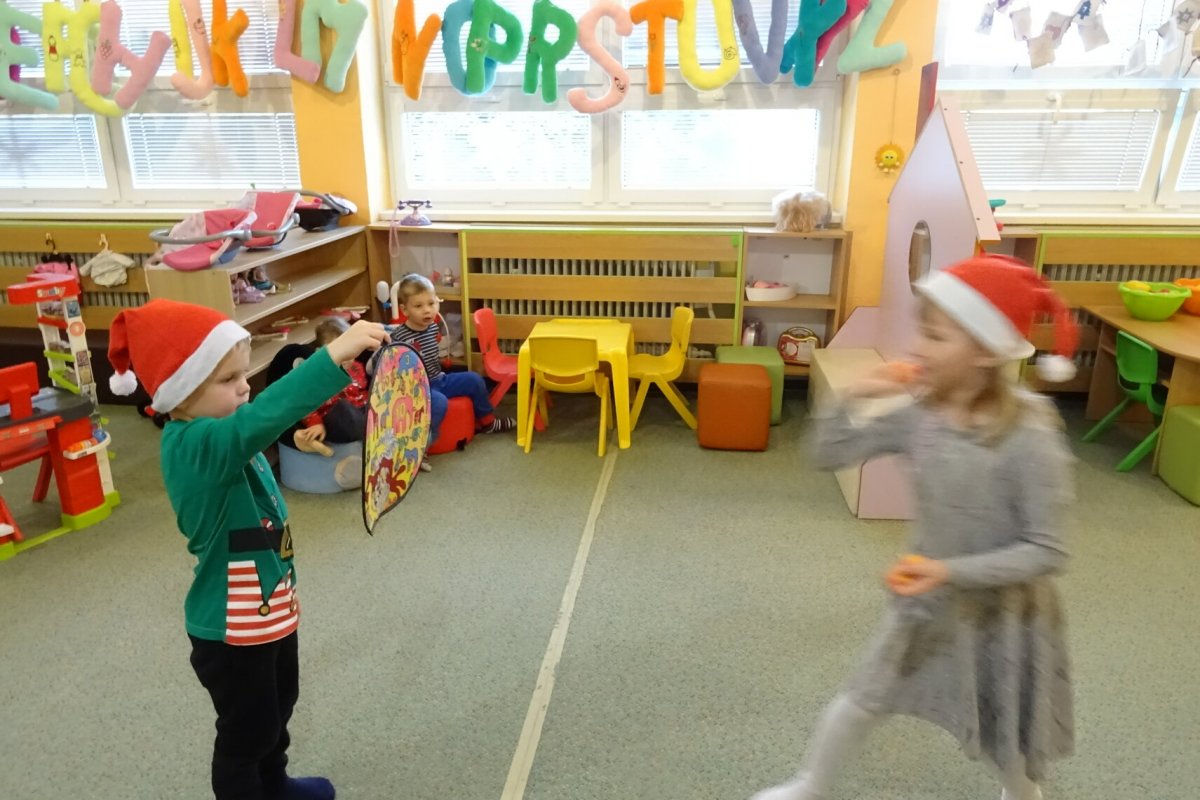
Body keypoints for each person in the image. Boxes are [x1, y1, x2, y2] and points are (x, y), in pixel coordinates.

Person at [752, 255, 1078, 800]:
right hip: (927, 601)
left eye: (936, 335)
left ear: (986, 351)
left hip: (1002, 615)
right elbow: (826, 454)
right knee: (865, 697)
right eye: (921, 330)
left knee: (1000, 727)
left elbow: (1047, 550)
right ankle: (812, 786)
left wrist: (947, 570)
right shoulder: (922, 415)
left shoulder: (1029, 436)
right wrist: (854, 395)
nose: (917, 346)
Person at [107, 299, 388, 800]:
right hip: (231, 630)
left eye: (243, 375)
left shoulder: (219, 433)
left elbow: (260, 442)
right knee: (246, 733)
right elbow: (260, 418)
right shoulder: (193, 445)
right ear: (181, 391)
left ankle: (274, 782)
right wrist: (332, 356)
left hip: (269, 609)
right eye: (228, 379)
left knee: (279, 708)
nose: (244, 387)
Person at [375, 274, 514, 468]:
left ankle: (487, 422)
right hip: (416, 388)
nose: (427, 310)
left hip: (438, 379)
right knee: (439, 402)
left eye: (431, 303)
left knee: (474, 380)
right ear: (405, 310)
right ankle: (421, 446)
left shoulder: (432, 328)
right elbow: (384, 361)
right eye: (418, 306)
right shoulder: (399, 336)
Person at [292, 317, 370, 456]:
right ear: (320, 352)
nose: (347, 357)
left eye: (350, 350)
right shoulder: (317, 375)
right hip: (335, 421)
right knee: (343, 408)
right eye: (340, 352)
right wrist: (315, 423)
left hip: (360, 415)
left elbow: (363, 393)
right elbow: (305, 403)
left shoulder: (356, 367)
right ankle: (308, 439)